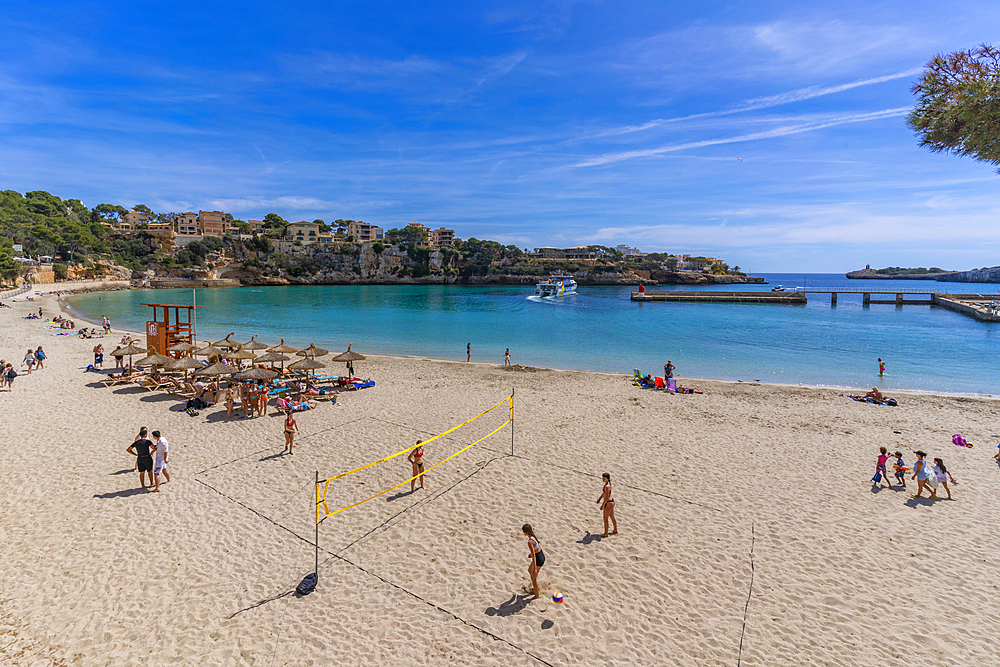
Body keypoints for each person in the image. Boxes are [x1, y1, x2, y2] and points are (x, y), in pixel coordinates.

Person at [522, 524, 544, 599]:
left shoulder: (530, 542)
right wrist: (532, 553)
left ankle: (537, 595)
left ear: (526, 532)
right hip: (540, 554)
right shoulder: (533, 535)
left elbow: (534, 557)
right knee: (529, 570)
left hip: (539, 559)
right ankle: (536, 588)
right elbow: (538, 545)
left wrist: (534, 568)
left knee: (533, 577)